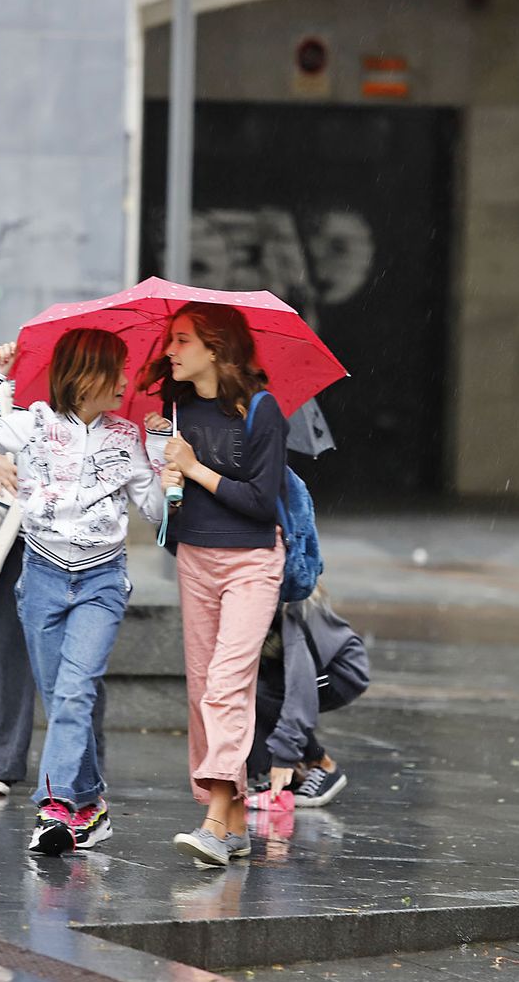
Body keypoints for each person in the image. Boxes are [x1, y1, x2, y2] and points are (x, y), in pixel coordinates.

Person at [0, 330, 174, 856]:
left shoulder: (127, 437)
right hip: (42, 579)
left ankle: (57, 810)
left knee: (73, 694)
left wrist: (164, 459)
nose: (124, 381)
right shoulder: (33, 424)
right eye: (115, 370)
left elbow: (158, 514)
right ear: (86, 376)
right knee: (63, 700)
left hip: (101, 581)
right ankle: (92, 805)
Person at [141, 302, 289, 867]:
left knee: (226, 684)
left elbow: (260, 502)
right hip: (195, 557)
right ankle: (229, 822)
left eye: (182, 341)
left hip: (251, 559)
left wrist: (197, 467)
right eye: (171, 341)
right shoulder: (176, 408)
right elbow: (174, 500)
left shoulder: (262, 410)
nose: (170, 352)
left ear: (216, 348)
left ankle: (212, 822)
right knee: (205, 688)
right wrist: (169, 471)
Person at [0, 443, 110, 803]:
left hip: (74, 539)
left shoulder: (98, 398)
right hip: (5, 533)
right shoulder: (1, 386)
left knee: (78, 654)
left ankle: (81, 768)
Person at [245, 587, 367, 809]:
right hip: (294, 672)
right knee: (248, 687)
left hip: (339, 672)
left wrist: (284, 755)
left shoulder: (291, 606)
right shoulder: (255, 599)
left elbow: (300, 688)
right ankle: (297, 775)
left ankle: (324, 765)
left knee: (262, 694)